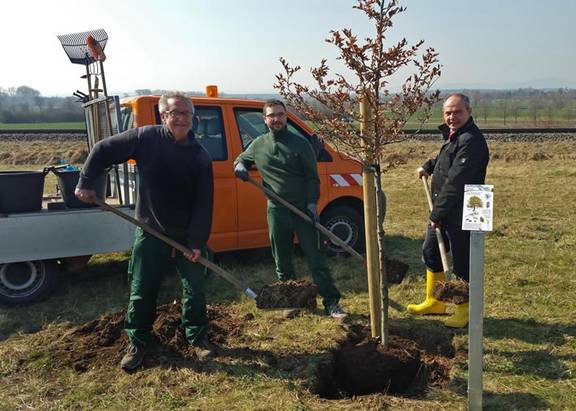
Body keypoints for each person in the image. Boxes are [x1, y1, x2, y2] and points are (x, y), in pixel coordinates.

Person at [75, 92, 215, 371]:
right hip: (151, 230)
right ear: (163, 115)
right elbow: (103, 149)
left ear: (193, 118)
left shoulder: (200, 156)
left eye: (186, 113)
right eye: (175, 113)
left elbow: (204, 203)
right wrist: (86, 181)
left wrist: (197, 241)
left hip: (186, 234)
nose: (181, 118)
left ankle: (198, 338)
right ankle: (138, 341)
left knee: (196, 288)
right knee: (142, 289)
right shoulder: (145, 138)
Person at [233, 99, 347, 320]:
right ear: (265, 120)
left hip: (303, 209)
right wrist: (239, 165)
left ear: (286, 116)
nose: (276, 119)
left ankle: (332, 302)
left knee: (316, 259)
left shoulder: (300, 144)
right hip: (276, 211)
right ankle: (291, 300)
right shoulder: (258, 145)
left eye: (280, 114)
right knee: (282, 260)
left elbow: (313, 178)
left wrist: (312, 204)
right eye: (271, 115)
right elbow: (242, 159)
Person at [406, 93, 489, 328]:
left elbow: (456, 182)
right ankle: (435, 302)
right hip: (444, 209)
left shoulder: (471, 141)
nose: (452, 117)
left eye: (457, 112)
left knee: (462, 260)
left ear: (468, 112)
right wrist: (428, 166)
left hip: (464, 208)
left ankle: (464, 310)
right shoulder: (456, 136)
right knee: (431, 252)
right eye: (448, 112)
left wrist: (437, 214)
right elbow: (446, 160)